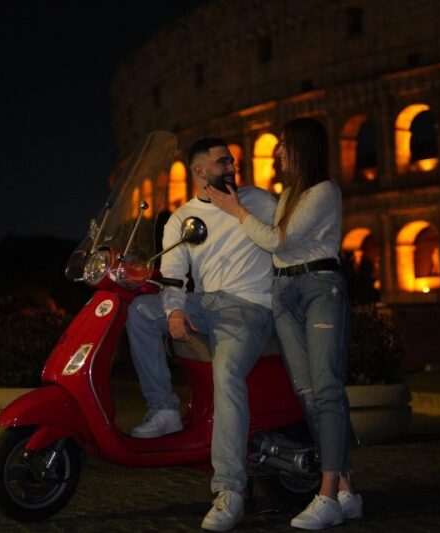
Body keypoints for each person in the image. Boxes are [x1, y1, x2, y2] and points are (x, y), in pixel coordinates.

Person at [208, 118, 362, 530]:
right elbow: (275, 240)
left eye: (283, 145)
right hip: (284, 293)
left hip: (319, 287)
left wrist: (236, 209)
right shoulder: (289, 193)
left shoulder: (323, 191)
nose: (276, 152)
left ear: (302, 148)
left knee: (327, 387)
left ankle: (327, 495)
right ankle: (346, 488)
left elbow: (278, 239)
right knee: (307, 391)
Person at [126, 137, 276, 531]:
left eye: (232, 160)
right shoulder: (181, 218)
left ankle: (230, 490)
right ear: (199, 172)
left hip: (250, 307)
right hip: (206, 302)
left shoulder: (259, 201)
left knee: (226, 374)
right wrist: (174, 308)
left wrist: (239, 210)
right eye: (222, 161)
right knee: (141, 311)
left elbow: (287, 242)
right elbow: (174, 274)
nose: (231, 166)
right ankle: (163, 408)